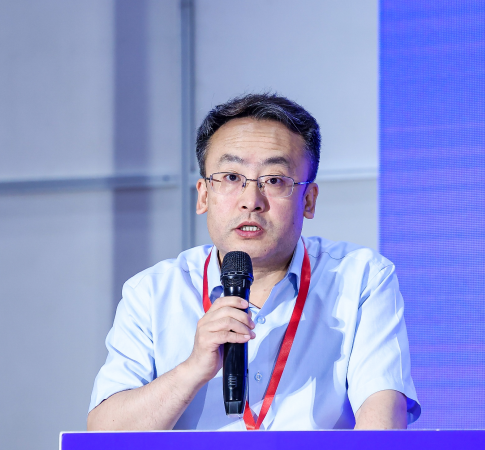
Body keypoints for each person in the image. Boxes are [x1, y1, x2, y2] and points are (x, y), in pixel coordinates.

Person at [88, 93, 419, 431]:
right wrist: (192, 369)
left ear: (308, 200)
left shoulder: (361, 278)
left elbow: (383, 426)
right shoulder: (151, 293)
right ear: (203, 195)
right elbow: (102, 437)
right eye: (232, 177)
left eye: (274, 180)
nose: (251, 201)